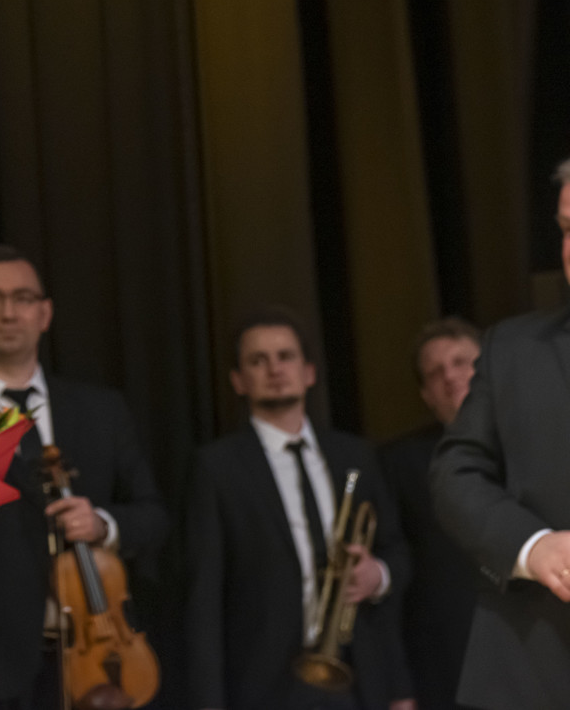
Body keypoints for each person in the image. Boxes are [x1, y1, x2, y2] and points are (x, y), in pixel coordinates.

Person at [0, 245, 168, 710]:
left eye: (23, 298)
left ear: (45, 313)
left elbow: (153, 517)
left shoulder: (102, 411)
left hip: (100, 660)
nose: (9, 313)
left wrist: (104, 525)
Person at [185, 307, 413, 710]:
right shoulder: (216, 468)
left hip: (358, 679)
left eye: (286, 356)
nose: (275, 369)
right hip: (264, 684)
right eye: (258, 360)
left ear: (309, 372)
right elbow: (203, 599)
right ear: (238, 381)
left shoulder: (355, 455)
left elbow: (396, 550)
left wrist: (377, 574)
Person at [430, 160, 570, 710]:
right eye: (567, 228)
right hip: (536, 672)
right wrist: (532, 547)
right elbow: (455, 472)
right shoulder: (512, 349)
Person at [378, 317, 484, 710]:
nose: (450, 376)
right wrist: (398, 686)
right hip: (445, 674)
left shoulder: (545, 447)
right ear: (426, 394)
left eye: (461, 362)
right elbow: (393, 583)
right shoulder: (398, 465)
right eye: (435, 373)